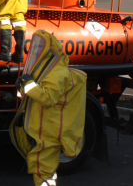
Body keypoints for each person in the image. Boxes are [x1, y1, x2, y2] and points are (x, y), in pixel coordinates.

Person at [9, 30, 87, 186]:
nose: (37, 52)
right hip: (45, 129)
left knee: (42, 170)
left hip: (50, 131)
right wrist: (25, 86)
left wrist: (28, 84)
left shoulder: (57, 73)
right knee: (44, 170)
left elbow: (46, 97)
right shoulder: (49, 71)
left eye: (39, 49)